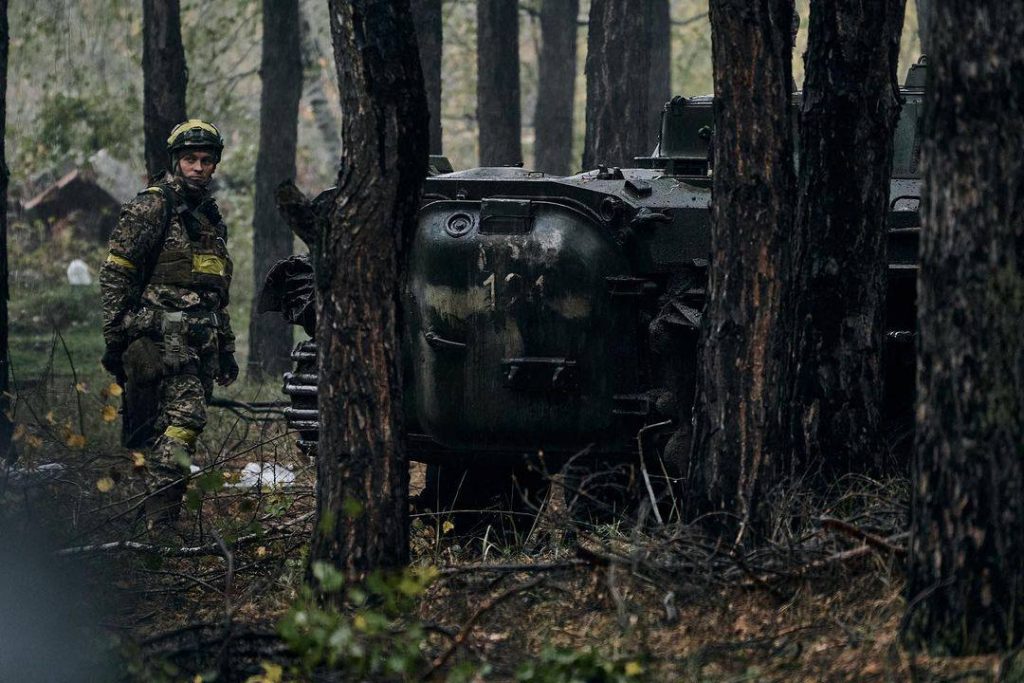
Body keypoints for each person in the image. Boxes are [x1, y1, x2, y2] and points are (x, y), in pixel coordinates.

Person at [100, 119, 238, 532]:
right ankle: (160, 523)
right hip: (167, 332)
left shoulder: (209, 218)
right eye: (191, 159)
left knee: (171, 426)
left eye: (206, 160)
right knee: (186, 418)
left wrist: (226, 348)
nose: (199, 167)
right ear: (176, 161)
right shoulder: (153, 205)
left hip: (203, 339)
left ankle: (150, 516)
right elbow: (116, 272)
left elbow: (215, 293)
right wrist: (116, 335)